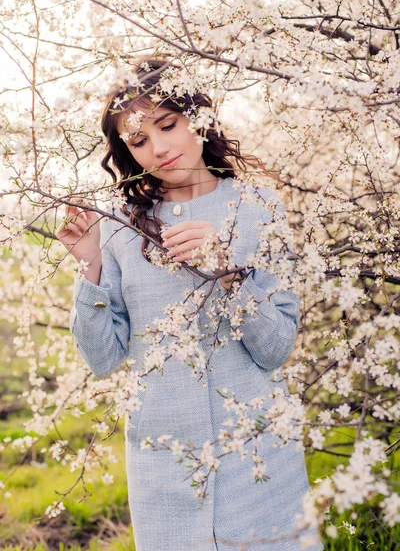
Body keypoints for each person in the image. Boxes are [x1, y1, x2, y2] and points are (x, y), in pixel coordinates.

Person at [56, 56, 323, 551]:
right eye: (138, 141)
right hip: (166, 466)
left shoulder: (259, 208)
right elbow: (102, 358)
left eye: (167, 124)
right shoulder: (118, 226)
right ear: (127, 152)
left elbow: (276, 348)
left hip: (260, 460)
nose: (158, 147)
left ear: (196, 116)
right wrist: (89, 264)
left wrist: (226, 271)